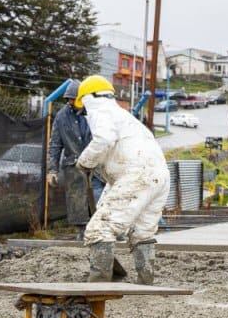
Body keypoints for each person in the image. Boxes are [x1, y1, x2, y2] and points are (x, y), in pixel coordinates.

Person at [75, 75, 169, 284]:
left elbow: (103, 140)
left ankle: (99, 286)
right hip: (158, 176)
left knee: (99, 230)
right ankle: (146, 282)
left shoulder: (99, 110)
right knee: (142, 232)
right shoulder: (124, 116)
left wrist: (84, 162)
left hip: (137, 174)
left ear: (87, 98)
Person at [46, 80, 101, 235]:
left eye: (74, 99)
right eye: (69, 99)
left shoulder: (95, 113)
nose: (71, 102)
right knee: (77, 203)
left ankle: (104, 232)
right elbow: (55, 144)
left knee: (99, 198)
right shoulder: (62, 116)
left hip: (96, 165)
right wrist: (52, 170)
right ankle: (81, 234)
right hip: (74, 166)